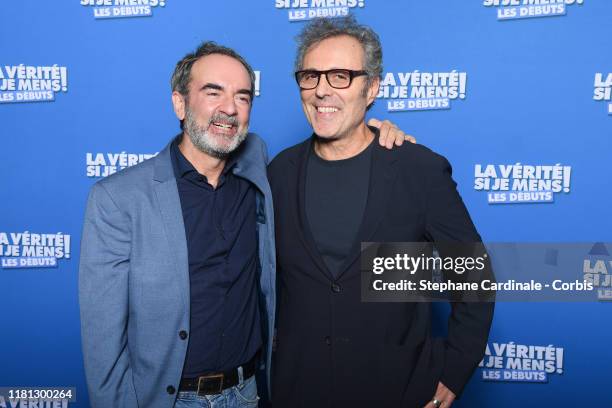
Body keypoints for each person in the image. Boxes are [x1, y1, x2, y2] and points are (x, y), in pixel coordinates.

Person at [79, 41, 411, 408]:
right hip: (169, 399)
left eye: (242, 97)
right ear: (179, 103)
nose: (229, 109)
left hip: (249, 393)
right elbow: (102, 342)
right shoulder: (118, 198)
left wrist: (373, 134)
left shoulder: (262, 167)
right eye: (213, 92)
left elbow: (339, 146)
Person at [268, 16, 494, 408]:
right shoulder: (277, 174)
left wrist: (453, 374)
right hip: (296, 390)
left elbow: (473, 278)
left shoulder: (418, 170)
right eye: (310, 76)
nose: (322, 91)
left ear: (371, 88)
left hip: (398, 390)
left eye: (340, 76)